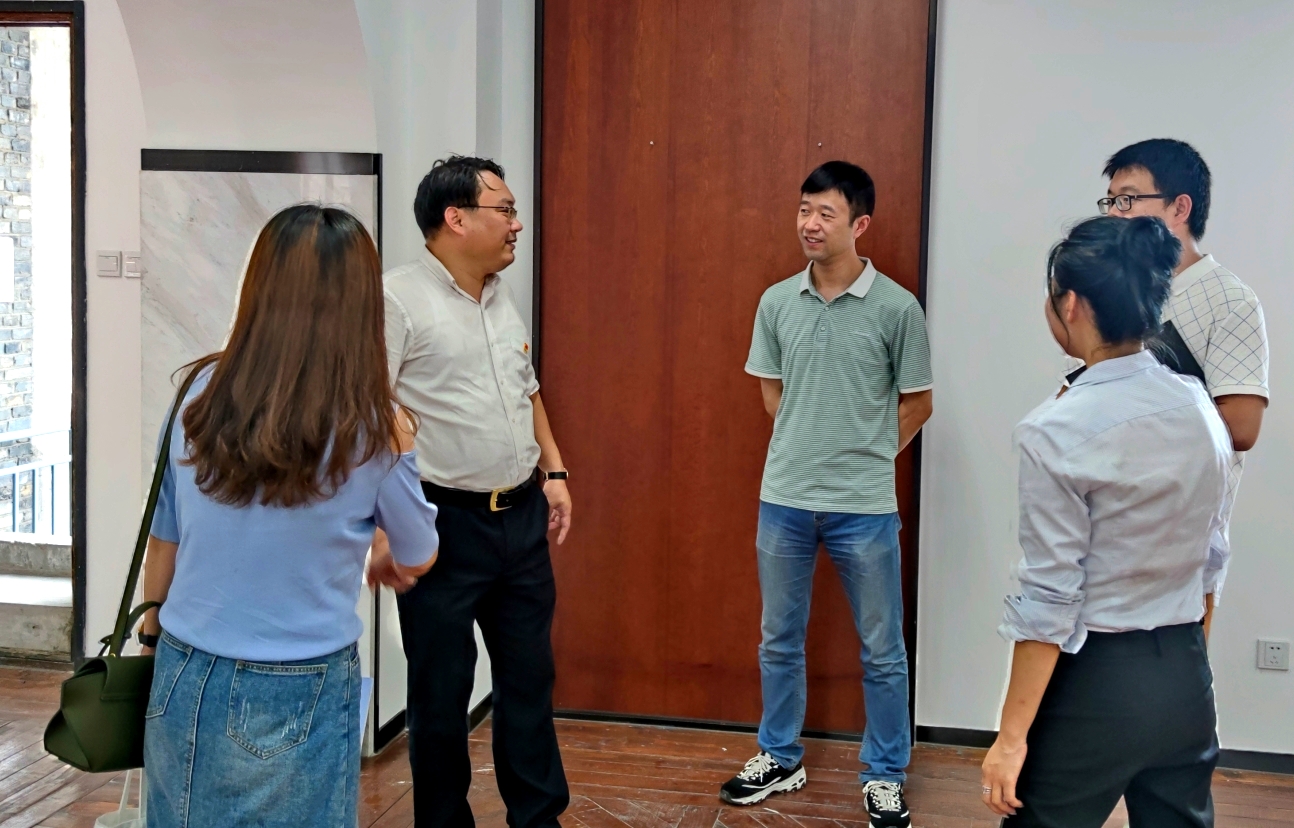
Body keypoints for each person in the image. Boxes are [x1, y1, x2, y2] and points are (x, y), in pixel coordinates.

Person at [140, 205, 440, 827]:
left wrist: (150, 636)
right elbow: (419, 553)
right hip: (301, 680)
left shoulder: (198, 390)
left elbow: (165, 536)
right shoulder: (376, 425)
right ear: (360, 304)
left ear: (260, 285)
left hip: (181, 661)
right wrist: (383, 545)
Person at [982, 216, 1231, 827]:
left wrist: (1009, 739)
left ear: (1070, 304)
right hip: (1186, 672)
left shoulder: (1055, 428)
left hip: (1096, 682)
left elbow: (1049, 597)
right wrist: (1186, 670)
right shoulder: (1198, 404)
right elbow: (1212, 557)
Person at [722, 161, 933, 828]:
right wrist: (811, 447)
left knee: (883, 648)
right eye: (804, 210)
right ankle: (780, 755)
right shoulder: (777, 302)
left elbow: (919, 403)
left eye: (826, 213)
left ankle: (885, 773)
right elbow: (772, 394)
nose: (810, 224)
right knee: (778, 638)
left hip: (864, 508)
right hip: (783, 498)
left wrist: (866, 454)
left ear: (859, 224)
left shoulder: (897, 307)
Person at [367, 155, 572, 828]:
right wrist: (382, 529)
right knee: (441, 692)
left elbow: (526, 390)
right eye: (505, 210)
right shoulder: (396, 299)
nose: (517, 224)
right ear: (456, 218)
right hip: (440, 525)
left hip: (521, 518)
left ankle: (538, 819)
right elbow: (369, 414)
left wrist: (555, 473)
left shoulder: (500, 294)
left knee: (529, 682)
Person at [1099, 138, 1269, 632]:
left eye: (1128, 199)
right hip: (1103, 525)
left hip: (1183, 543)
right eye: (1110, 201)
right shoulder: (1110, 293)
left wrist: (1134, 416)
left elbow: (1241, 426)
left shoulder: (1229, 299)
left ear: (1179, 208)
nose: (1114, 214)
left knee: (1173, 674)